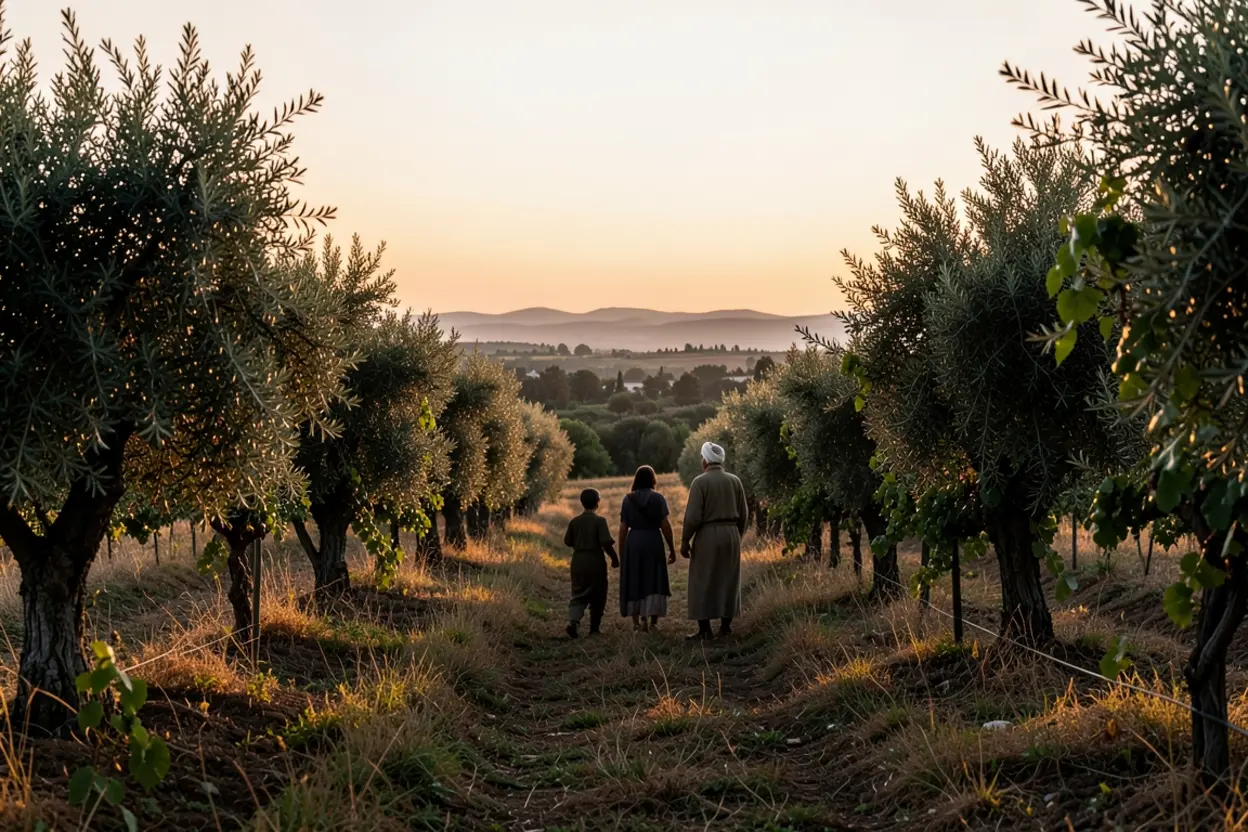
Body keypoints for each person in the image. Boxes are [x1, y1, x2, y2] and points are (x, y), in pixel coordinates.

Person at [681, 441, 749, 640]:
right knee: (728, 578)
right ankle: (726, 627)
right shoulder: (735, 481)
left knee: (702, 579)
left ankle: (704, 630)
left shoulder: (700, 482)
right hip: (731, 533)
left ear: (705, 460)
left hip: (708, 534)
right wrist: (737, 535)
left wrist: (685, 540)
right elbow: (744, 513)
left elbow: (693, 516)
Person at [618, 465, 676, 632]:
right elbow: (665, 525)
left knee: (635, 577)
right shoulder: (658, 499)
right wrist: (671, 548)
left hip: (634, 541)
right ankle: (653, 622)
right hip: (653, 540)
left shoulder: (627, 500)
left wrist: (622, 551)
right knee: (654, 578)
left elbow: (623, 528)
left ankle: (636, 622)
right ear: (653, 479)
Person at [563, 488, 619, 638]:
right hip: (596, 561)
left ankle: (574, 621)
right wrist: (614, 558)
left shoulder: (575, 522)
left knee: (578, 593)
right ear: (598, 502)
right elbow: (606, 544)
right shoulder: (600, 522)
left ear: (581, 502)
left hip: (578, 561)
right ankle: (594, 628)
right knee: (598, 594)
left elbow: (568, 541)